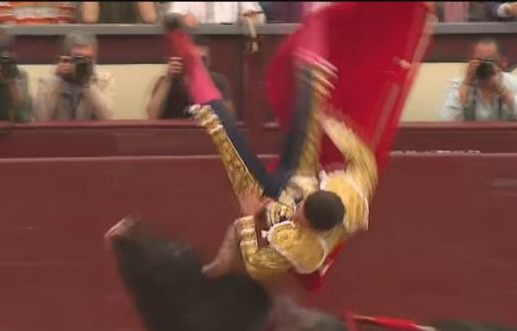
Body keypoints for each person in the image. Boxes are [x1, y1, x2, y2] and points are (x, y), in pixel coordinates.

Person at [175, 3, 433, 302]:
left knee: (223, 133)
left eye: (299, 215)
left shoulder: (306, 252)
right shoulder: (350, 190)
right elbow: (361, 154)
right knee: (311, 92)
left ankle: (189, 58)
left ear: (306, 224)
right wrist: (329, 119)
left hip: (270, 204)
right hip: (304, 174)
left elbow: (259, 262)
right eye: (302, 208)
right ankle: (315, 19)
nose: (297, 213)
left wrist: (249, 219)